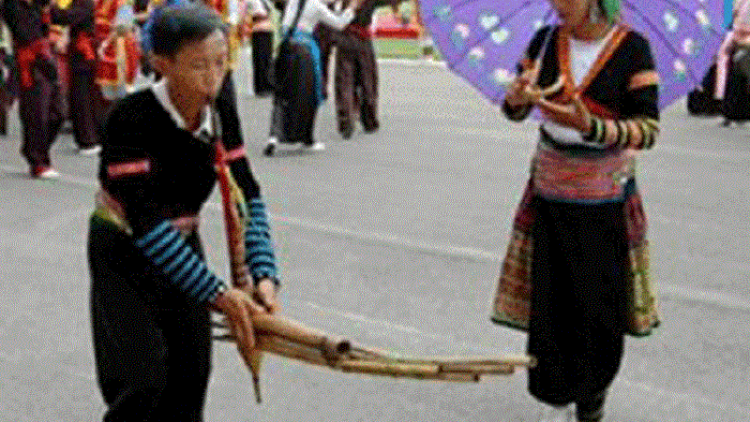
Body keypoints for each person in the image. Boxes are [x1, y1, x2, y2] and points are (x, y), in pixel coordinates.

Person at [88, 6, 280, 420]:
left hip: (181, 246)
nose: (213, 78)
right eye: (197, 66)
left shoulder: (220, 114)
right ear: (163, 65)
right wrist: (216, 292)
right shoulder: (130, 118)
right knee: (142, 381)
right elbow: (144, 220)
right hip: (123, 251)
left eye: (220, 62)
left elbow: (247, 193)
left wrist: (263, 273)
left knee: (192, 374)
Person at [495, 0, 660, 421]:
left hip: (602, 202)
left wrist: (592, 127)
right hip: (551, 196)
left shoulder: (632, 49)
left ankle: (592, 397)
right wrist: (515, 99)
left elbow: (647, 129)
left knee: (596, 305)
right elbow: (517, 109)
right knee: (551, 302)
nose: (557, 4)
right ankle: (555, 393)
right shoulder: (546, 40)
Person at [262, 0, 359, 156]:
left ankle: (274, 137)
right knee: (309, 97)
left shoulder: (293, 2)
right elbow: (339, 24)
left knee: (282, 95)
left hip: (285, 48)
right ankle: (307, 138)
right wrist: (351, 9)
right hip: (304, 52)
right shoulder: (315, 6)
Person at [2, 0, 65, 178]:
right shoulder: (12, 5)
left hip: (46, 56)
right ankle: (39, 162)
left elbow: (57, 18)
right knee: (37, 114)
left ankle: (33, 149)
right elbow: (26, 33)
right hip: (31, 60)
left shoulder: (39, 4)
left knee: (58, 112)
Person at [332, 0, 399, 139]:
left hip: (345, 38)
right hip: (363, 40)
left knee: (344, 81)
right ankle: (369, 119)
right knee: (368, 80)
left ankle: (345, 121)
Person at [51, 0, 101, 154]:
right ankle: (83, 138)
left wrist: (52, 7)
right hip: (78, 51)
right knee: (77, 97)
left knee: (83, 98)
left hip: (84, 52)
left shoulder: (84, 3)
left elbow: (66, 17)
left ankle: (88, 140)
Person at [714, 0, 750, 126]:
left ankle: (735, 113)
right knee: (736, 76)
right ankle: (734, 113)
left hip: (743, 40)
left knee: (737, 76)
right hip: (738, 38)